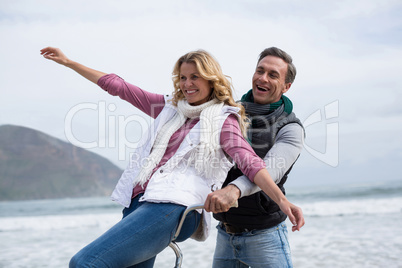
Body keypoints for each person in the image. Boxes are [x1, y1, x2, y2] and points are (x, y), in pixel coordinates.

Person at [40, 47, 304, 268]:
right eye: (183, 77)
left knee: (84, 263)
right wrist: (69, 63)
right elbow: (119, 87)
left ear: (211, 79)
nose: (187, 84)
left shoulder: (224, 118)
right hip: (142, 202)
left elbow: (252, 163)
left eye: (195, 77)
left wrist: (282, 201)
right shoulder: (170, 108)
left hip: (176, 206)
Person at [204, 47, 305, 268]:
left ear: (286, 87)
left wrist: (233, 190)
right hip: (225, 234)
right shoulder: (229, 113)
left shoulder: (291, 129)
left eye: (273, 75)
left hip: (265, 236)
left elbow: (269, 171)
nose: (263, 78)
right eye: (260, 70)